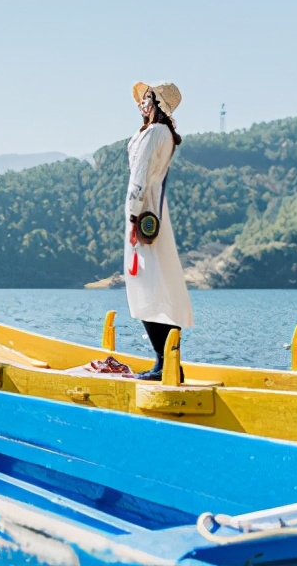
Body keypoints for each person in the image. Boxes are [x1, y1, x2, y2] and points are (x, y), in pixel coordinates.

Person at [124, 81, 192, 381]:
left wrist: (132, 216)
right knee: (157, 281)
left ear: (158, 103)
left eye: (147, 98)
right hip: (154, 208)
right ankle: (168, 362)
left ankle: (165, 363)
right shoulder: (161, 133)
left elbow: (139, 177)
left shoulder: (154, 133)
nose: (142, 102)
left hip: (144, 212)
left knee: (146, 285)